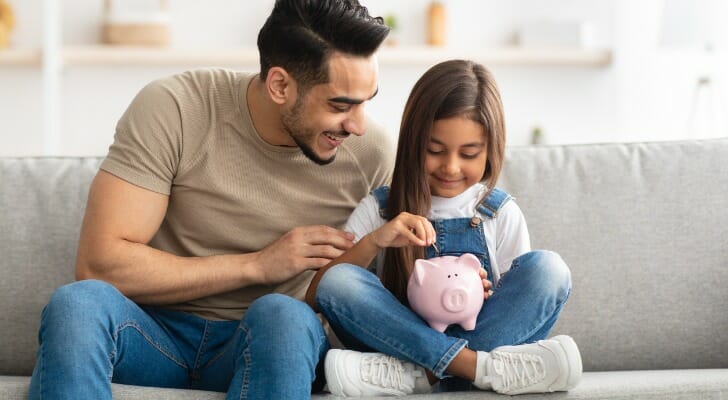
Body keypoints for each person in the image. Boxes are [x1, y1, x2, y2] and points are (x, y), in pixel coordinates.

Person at [28, 1, 392, 399]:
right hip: (153, 335)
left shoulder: (372, 153)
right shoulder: (176, 108)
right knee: (78, 305)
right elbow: (100, 264)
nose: (357, 124)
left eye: (366, 100)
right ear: (280, 85)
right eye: (340, 105)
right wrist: (257, 265)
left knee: (284, 315)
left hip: (266, 343)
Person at [305, 59, 583, 396]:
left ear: (490, 151)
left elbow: (515, 308)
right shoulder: (380, 208)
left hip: (414, 355)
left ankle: (419, 376)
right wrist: (376, 241)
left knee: (549, 269)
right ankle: (474, 369)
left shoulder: (499, 212)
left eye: (469, 154)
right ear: (413, 144)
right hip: (396, 340)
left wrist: (486, 290)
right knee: (341, 279)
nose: (450, 167)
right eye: (434, 150)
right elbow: (319, 294)